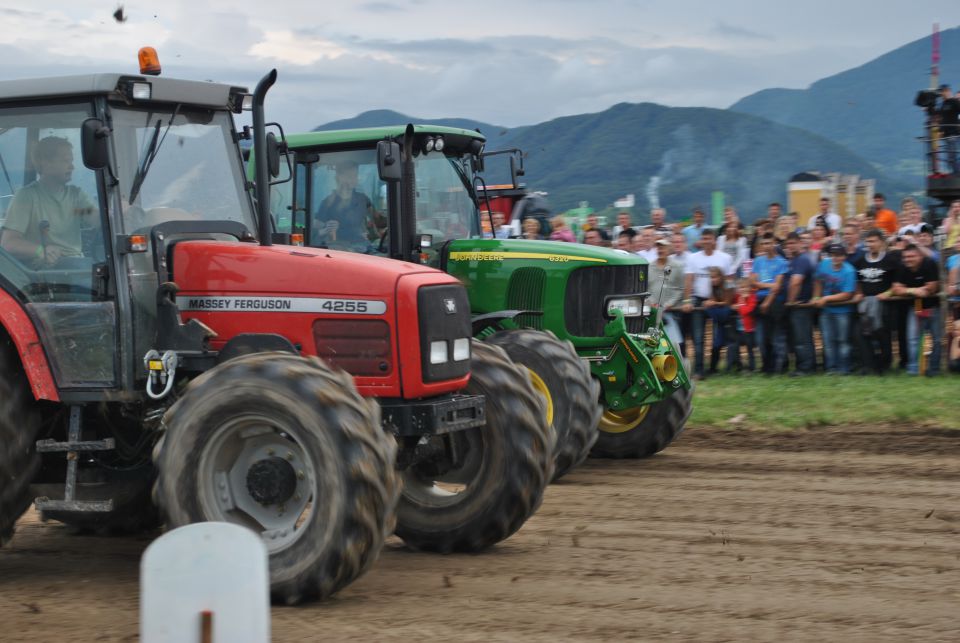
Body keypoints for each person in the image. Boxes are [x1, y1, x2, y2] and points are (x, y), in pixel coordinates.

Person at [1, 136, 96, 267]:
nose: (72, 166)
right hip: (44, 273)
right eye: (66, 161)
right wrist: (40, 250)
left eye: (71, 161)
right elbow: (8, 244)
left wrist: (116, 212)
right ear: (45, 163)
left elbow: (96, 218)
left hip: (76, 265)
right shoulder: (27, 196)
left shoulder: (76, 196)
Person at [682, 228, 734, 379]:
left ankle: (713, 367)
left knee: (718, 338)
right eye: (704, 239)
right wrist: (687, 300)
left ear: (715, 240)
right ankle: (699, 370)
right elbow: (689, 281)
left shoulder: (724, 258)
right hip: (699, 300)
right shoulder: (693, 258)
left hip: (718, 301)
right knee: (698, 338)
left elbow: (730, 282)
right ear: (700, 241)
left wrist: (726, 301)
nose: (707, 242)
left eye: (709, 238)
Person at [885, 244, 941, 375]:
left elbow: (931, 288)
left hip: (933, 306)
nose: (907, 259)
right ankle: (913, 368)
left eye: (911, 256)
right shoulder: (902, 267)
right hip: (916, 306)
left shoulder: (929, 263)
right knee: (913, 338)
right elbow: (896, 289)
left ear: (920, 256)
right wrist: (914, 290)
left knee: (936, 339)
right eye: (905, 257)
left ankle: (934, 369)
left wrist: (913, 290)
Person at [853, 229, 898, 374]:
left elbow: (897, 283)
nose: (870, 244)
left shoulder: (890, 260)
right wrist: (859, 293)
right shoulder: (860, 261)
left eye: (873, 241)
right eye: (868, 241)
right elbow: (858, 281)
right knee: (863, 334)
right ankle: (869, 365)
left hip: (884, 304)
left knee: (882, 334)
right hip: (865, 305)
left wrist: (888, 293)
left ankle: (884, 366)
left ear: (881, 242)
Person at [814, 243, 856, 374]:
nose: (835, 258)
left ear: (844, 256)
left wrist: (825, 299)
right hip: (826, 311)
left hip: (843, 311)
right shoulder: (824, 264)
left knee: (843, 340)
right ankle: (831, 367)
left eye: (838, 255)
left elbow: (847, 294)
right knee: (828, 340)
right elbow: (818, 281)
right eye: (833, 255)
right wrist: (816, 297)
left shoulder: (849, 271)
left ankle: (844, 368)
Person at [313, 160, 377, 246]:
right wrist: (326, 229)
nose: (353, 179)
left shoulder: (363, 199)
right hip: (339, 249)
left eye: (355, 175)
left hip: (363, 247)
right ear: (339, 177)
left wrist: (370, 234)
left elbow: (376, 221)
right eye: (349, 176)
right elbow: (315, 232)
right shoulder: (328, 203)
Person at [750, 233, 789, 374]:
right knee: (761, 338)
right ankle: (766, 367)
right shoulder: (758, 261)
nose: (767, 246)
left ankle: (780, 367)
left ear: (774, 243)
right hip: (759, 300)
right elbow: (752, 282)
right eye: (764, 243)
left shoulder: (781, 262)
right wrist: (768, 285)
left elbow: (777, 287)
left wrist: (767, 301)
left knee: (776, 337)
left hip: (775, 302)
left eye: (769, 243)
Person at [783, 232, 817, 375]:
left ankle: (806, 368)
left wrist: (790, 302)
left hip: (800, 306)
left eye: (793, 243)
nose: (790, 246)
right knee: (800, 337)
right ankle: (804, 365)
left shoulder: (802, 259)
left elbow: (796, 283)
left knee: (802, 338)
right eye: (788, 244)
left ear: (799, 243)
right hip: (797, 305)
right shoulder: (793, 260)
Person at [647, 238, 685, 347]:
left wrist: (668, 304)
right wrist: (651, 303)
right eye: (658, 247)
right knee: (654, 344)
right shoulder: (650, 266)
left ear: (669, 249)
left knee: (675, 344)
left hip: (672, 312)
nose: (660, 250)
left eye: (663, 247)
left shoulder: (677, 266)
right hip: (654, 313)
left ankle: (680, 362)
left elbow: (680, 289)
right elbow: (646, 289)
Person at [703, 266, 735, 374]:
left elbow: (727, 303)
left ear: (720, 277)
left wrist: (713, 303)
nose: (713, 280)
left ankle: (732, 367)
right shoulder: (713, 287)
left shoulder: (728, 284)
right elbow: (712, 299)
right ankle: (713, 368)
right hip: (719, 316)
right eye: (711, 278)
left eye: (715, 277)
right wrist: (709, 302)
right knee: (716, 344)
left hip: (730, 316)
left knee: (731, 343)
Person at [732, 279, 757, 373]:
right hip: (739, 328)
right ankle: (739, 366)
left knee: (750, 348)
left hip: (748, 329)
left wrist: (741, 303)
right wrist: (734, 305)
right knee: (736, 347)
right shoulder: (738, 297)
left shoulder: (752, 297)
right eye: (741, 287)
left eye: (746, 287)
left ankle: (752, 367)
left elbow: (746, 311)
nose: (743, 289)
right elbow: (733, 304)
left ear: (750, 288)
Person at [937, 83, 960, 173]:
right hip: (947, 135)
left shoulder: (954, 102)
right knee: (950, 158)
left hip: (954, 133)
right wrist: (940, 131)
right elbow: (942, 120)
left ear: (947, 91)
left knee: (953, 156)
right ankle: (955, 173)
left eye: (942, 92)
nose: (941, 94)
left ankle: (957, 174)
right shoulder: (943, 104)